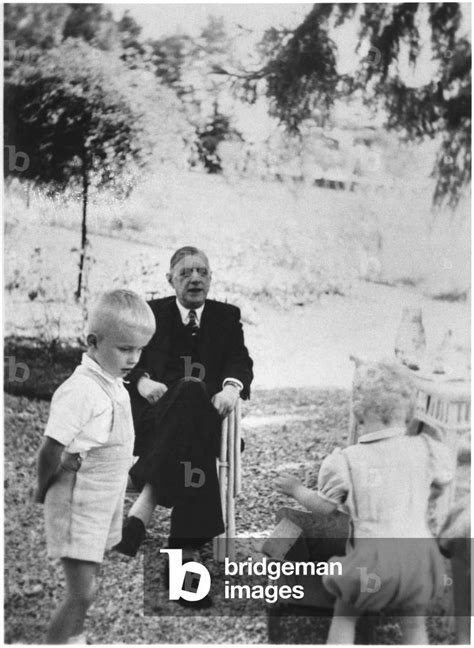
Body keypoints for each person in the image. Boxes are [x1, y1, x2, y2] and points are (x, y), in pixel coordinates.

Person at [276, 358, 454, 645]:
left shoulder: (347, 461)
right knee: (414, 627)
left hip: (373, 564)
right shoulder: (426, 449)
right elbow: (442, 484)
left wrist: (296, 489)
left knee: (345, 616)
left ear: (358, 413)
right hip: (418, 560)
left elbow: (325, 508)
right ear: (408, 412)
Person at [115, 246, 253, 569]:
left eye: (202, 272)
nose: (195, 279)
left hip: (207, 418)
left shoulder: (226, 317)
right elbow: (122, 353)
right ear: (170, 280)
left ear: (211, 278)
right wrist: (140, 381)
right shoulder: (151, 313)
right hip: (155, 420)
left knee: (192, 394)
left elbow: (240, 361)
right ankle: (184, 550)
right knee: (192, 420)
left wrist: (232, 388)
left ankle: (143, 507)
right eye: (186, 273)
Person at [34, 290, 155, 644]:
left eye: (139, 349)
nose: (134, 358)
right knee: (81, 592)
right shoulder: (82, 390)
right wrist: (41, 490)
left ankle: (76, 637)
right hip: (77, 502)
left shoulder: (113, 381)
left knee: (90, 584)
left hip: (100, 501)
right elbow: (49, 450)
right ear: (93, 341)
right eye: (125, 349)